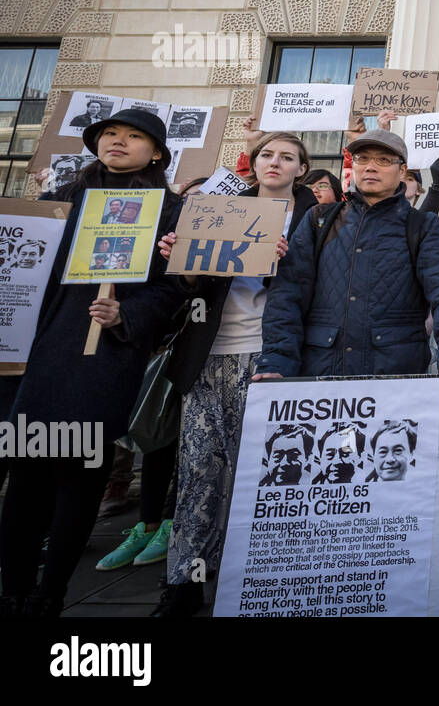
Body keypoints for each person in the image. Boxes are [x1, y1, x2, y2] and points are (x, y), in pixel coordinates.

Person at [0, 109, 186, 618]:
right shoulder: (58, 203)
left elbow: (171, 289)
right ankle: (12, 588)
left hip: (101, 359)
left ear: (158, 154)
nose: (118, 142)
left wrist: (126, 313)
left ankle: (50, 594)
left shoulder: (170, 211)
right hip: (34, 361)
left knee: (79, 479)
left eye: (133, 137)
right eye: (110, 133)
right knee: (26, 475)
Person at [149, 132, 318, 616]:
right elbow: (189, 285)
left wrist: (291, 263)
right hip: (210, 353)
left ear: (301, 169)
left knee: (266, 475)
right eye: (267, 154)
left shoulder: (317, 218)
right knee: (200, 470)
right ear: (254, 162)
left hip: (273, 359)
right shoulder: (217, 209)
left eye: (287, 157)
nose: (275, 162)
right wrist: (177, 258)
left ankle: (256, 578)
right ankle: (184, 582)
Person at [252, 128, 439, 382]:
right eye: (363, 158)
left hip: (394, 373)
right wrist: (276, 360)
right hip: (321, 371)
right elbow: (287, 295)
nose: (370, 167)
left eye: (383, 160)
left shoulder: (422, 225)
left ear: (402, 171)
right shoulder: (319, 219)